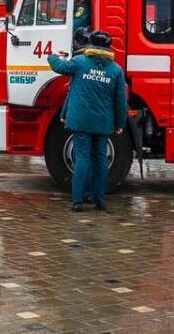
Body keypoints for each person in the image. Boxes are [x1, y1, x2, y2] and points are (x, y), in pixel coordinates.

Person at [47, 30, 128, 212]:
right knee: (100, 160)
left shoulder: (80, 62)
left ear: (91, 45)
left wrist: (52, 56)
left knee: (82, 158)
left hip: (81, 121)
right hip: (103, 123)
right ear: (108, 47)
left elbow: (59, 67)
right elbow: (120, 101)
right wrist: (120, 124)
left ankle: (77, 201)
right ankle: (99, 200)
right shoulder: (115, 70)